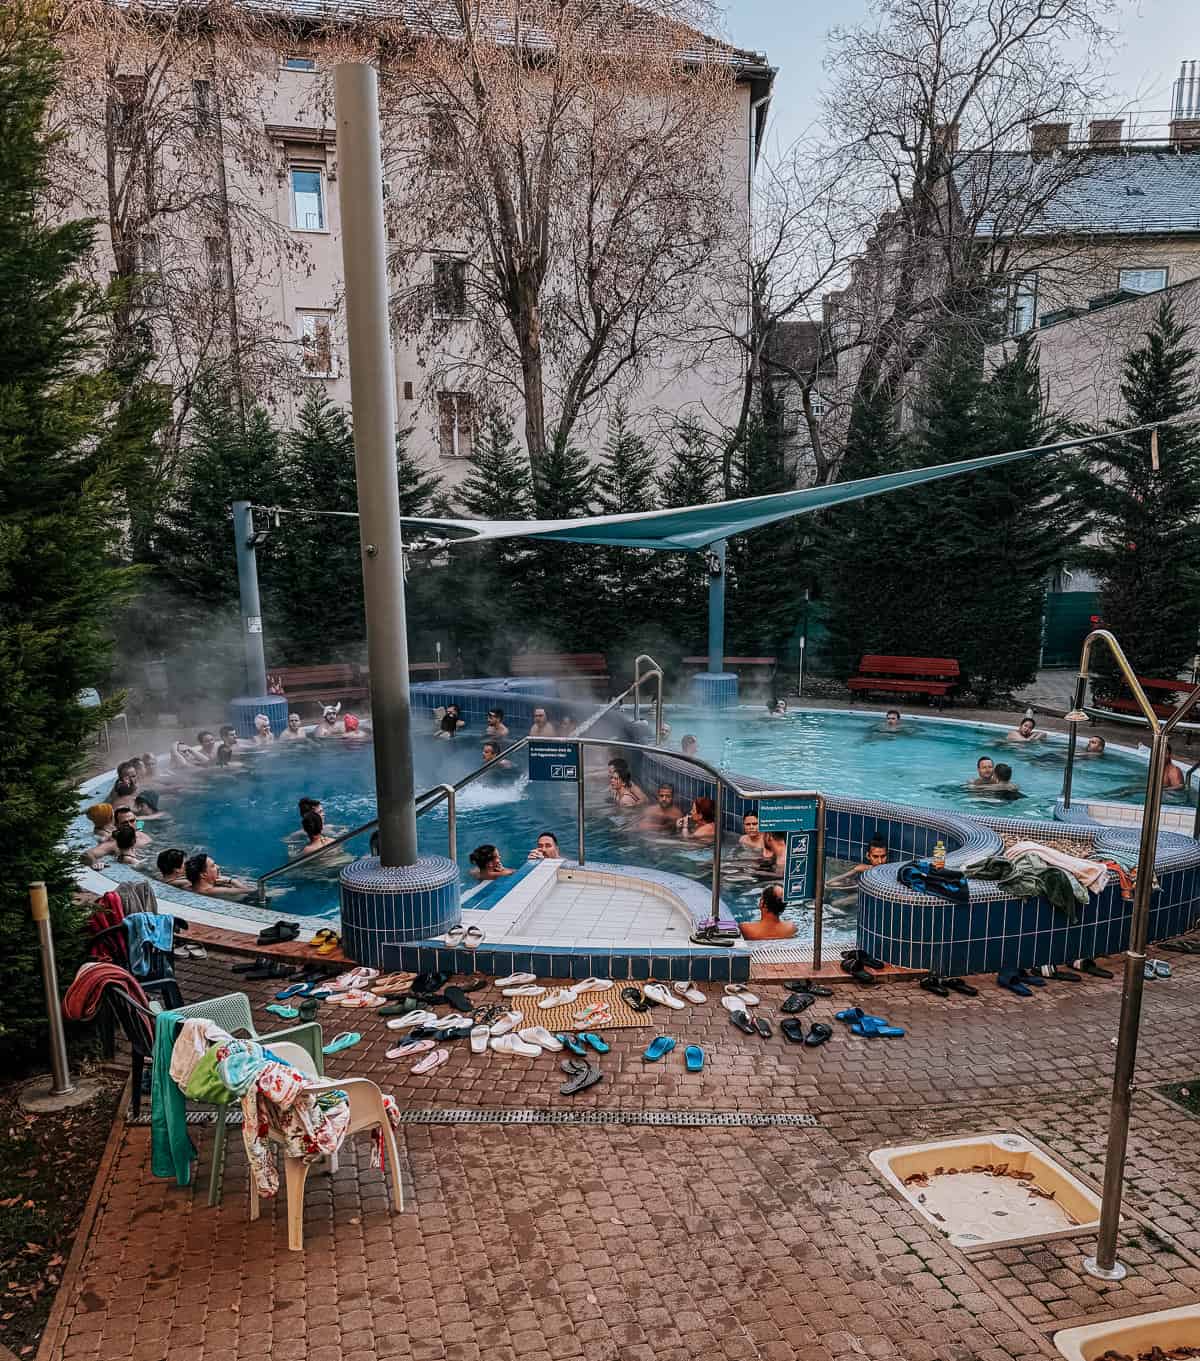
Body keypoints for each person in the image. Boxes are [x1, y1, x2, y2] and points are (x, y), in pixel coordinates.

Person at [184, 853, 255, 899]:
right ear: (203, 874)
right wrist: (232, 881)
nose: (218, 867)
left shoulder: (187, 887)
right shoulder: (213, 891)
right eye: (213, 866)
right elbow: (252, 892)